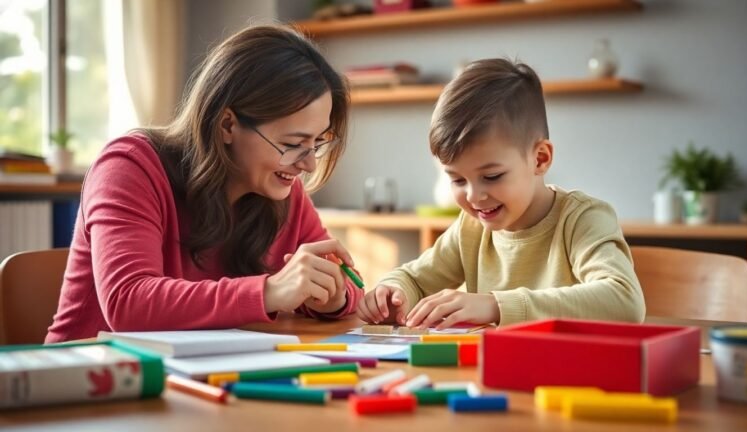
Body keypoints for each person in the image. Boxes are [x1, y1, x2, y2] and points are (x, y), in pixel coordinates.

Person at [46, 25, 363, 343]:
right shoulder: (128, 166)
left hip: (204, 376)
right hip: (90, 380)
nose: (308, 164)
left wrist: (335, 296)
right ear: (227, 125)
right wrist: (268, 292)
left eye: (317, 143)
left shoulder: (281, 190)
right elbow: (128, 303)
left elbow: (351, 289)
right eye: (293, 143)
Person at [356, 58, 645, 330]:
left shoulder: (583, 219)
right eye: (457, 179)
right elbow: (414, 280)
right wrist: (392, 292)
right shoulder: (470, 229)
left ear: (540, 159)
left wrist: (496, 305)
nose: (474, 196)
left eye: (491, 176)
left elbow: (625, 301)